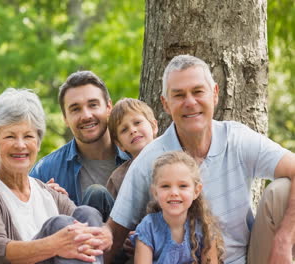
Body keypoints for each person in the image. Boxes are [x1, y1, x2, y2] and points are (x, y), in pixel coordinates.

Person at [106, 55, 295, 264]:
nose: (190, 102)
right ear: (165, 104)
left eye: (198, 91)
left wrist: (283, 241)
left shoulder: (237, 139)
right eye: (178, 95)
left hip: (248, 258)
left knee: (282, 191)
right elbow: (115, 231)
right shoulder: (149, 159)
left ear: (214, 94)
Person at [0, 88, 112, 264]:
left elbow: (86, 227)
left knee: (88, 214)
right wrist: (55, 244)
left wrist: (106, 233)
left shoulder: (48, 192)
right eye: (10, 136)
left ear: (38, 142)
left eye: (28, 136)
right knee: (59, 226)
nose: (20, 145)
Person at [31, 71, 130, 221]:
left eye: (93, 105)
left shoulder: (136, 156)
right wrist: (44, 204)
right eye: (75, 109)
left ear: (109, 107)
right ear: (65, 118)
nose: (86, 115)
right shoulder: (45, 171)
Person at [131, 151, 224, 264]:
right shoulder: (148, 228)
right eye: (165, 186)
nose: (174, 192)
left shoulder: (205, 228)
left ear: (196, 191)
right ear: (155, 192)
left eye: (183, 186)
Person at [106, 98, 158, 199]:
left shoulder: (176, 160)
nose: (132, 130)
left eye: (137, 122)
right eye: (124, 130)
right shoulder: (118, 178)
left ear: (153, 126)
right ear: (120, 144)